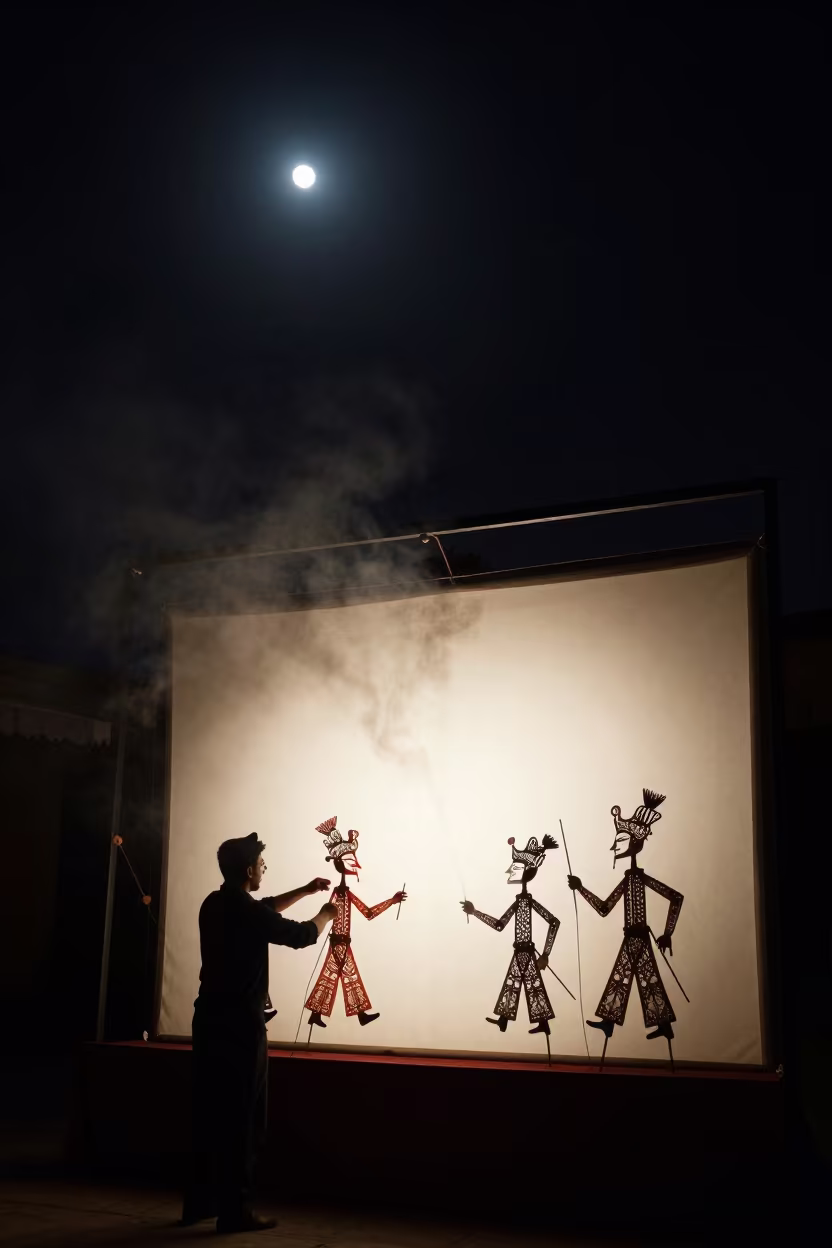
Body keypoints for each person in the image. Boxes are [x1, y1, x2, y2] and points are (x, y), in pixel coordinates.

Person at [181, 832, 336, 1234]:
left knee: (209, 1113)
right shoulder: (246, 913)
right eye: (263, 866)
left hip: (210, 1020)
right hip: (240, 1027)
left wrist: (303, 889)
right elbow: (300, 935)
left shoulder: (215, 903)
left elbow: (263, 908)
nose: (265, 870)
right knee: (243, 1119)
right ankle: (237, 1212)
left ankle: (199, 1202)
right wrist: (325, 914)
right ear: (249, 870)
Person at [567, 789, 683, 1065]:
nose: (614, 845)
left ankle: (629, 1023)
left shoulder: (638, 879)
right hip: (633, 938)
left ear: (635, 841)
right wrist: (581, 889)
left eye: (620, 838)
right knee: (637, 982)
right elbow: (606, 908)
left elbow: (675, 897)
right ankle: (651, 1024)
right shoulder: (629, 879)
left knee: (634, 982)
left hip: (639, 938)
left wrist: (668, 932)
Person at [305, 816, 406, 1030]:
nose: (354, 863)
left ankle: (319, 1013)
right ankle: (359, 1015)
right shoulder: (341, 894)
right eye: (350, 859)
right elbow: (368, 913)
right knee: (348, 977)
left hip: (340, 942)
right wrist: (392, 900)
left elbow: (365, 913)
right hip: (339, 942)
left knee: (333, 977)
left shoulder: (340, 893)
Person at [461, 833, 560, 1046]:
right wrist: (475, 912)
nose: (511, 870)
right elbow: (499, 925)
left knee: (524, 986)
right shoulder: (520, 902)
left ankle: (516, 1021)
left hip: (526, 952)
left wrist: (545, 954)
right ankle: (509, 1020)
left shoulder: (527, 902)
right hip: (521, 951)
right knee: (518, 985)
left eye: (516, 866)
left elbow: (554, 922)